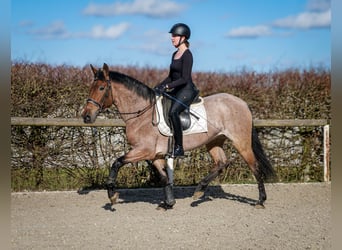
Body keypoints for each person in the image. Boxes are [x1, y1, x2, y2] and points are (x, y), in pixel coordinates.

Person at [154, 23, 199, 157]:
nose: (172, 38)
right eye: (172, 36)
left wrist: (167, 87)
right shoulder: (175, 54)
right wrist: (159, 86)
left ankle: (179, 148)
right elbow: (171, 76)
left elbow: (184, 79)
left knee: (173, 112)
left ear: (183, 38)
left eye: (174, 36)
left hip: (186, 90)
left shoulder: (187, 55)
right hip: (176, 90)